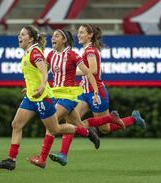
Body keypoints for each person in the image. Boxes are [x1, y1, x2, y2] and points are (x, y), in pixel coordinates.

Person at [0, 25, 95, 171]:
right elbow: (33, 75)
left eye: (22, 35)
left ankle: (85, 131)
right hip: (30, 97)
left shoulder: (36, 53)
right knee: (16, 124)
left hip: (42, 97)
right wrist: (29, 88)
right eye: (19, 34)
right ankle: (11, 160)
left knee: (54, 129)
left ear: (31, 39)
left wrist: (41, 87)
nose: (19, 37)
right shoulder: (28, 52)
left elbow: (44, 72)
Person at [48, 24, 146, 165]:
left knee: (104, 129)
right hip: (83, 92)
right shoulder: (85, 51)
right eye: (79, 32)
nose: (79, 35)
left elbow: (92, 70)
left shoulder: (90, 51)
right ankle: (63, 155)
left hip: (96, 92)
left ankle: (133, 119)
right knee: (72, 122)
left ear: (90, 35)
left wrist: (71, 72)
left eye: (82, 32)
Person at [27, 29, 125, 168]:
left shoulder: (73, 55)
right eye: (52, 36)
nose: (52, 38)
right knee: (78, 124)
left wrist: (96, 91)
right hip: (56, 94)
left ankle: (42, 159)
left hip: (69, 95)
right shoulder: (50, 55)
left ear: (64, 40)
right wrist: (35, 86)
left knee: (51, 125)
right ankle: (91, 131)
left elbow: (90, 73)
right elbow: (42, 73)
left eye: (56, 36)